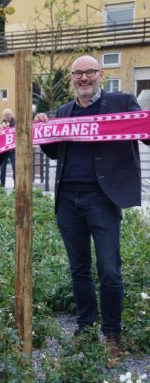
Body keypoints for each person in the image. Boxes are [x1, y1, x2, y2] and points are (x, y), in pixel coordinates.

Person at [35, 55, 150, 353]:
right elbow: (54, 154)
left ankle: (112, 333)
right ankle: (85, 328)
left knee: (110, 270)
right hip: (67, 201)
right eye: (78, 73)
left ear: (101, 75)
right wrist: (44, 129)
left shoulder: (122, 102)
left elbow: (145, 134)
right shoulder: (64, 110)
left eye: (89, 72)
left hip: (103, 198)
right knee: (79, 269)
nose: (83, 78)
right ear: (71, 78)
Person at [0, 108, 16, 187]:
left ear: (11, 115)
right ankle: (2, 183)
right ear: (3, 115)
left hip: (13, 149)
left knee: (15, 167)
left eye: (8, 114)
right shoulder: (1, 124)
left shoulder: (16, 123)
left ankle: (16, 183)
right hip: (4, 149)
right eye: (6, 115)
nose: (7, 116)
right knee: (2, 168)